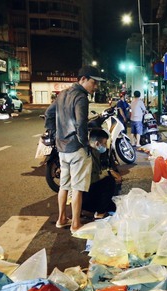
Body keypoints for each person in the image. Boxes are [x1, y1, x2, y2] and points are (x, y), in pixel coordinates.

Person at [44, 66, 100, 234]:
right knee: (77, 188)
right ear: (83, 79)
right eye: (93, 82)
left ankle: (61, 219)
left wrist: (54, 134)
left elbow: (48, 114)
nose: (95, 86)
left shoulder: (63, 94)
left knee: (64, 185)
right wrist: (85, 143)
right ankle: (76, 224)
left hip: (62, 148)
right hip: (76, 148)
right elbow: (81, 123)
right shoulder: (81, 97)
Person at [83, 129, 122, 219]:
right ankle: (99, 213)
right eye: (104, 143)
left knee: (113, 207)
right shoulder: (89, 156)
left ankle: (96, 209)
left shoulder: (94, 152)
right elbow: (94, 177)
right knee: (110, 181)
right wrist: (109, 173)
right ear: (97, 143)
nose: (105, 146)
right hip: (85, 197)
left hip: (86, 195)